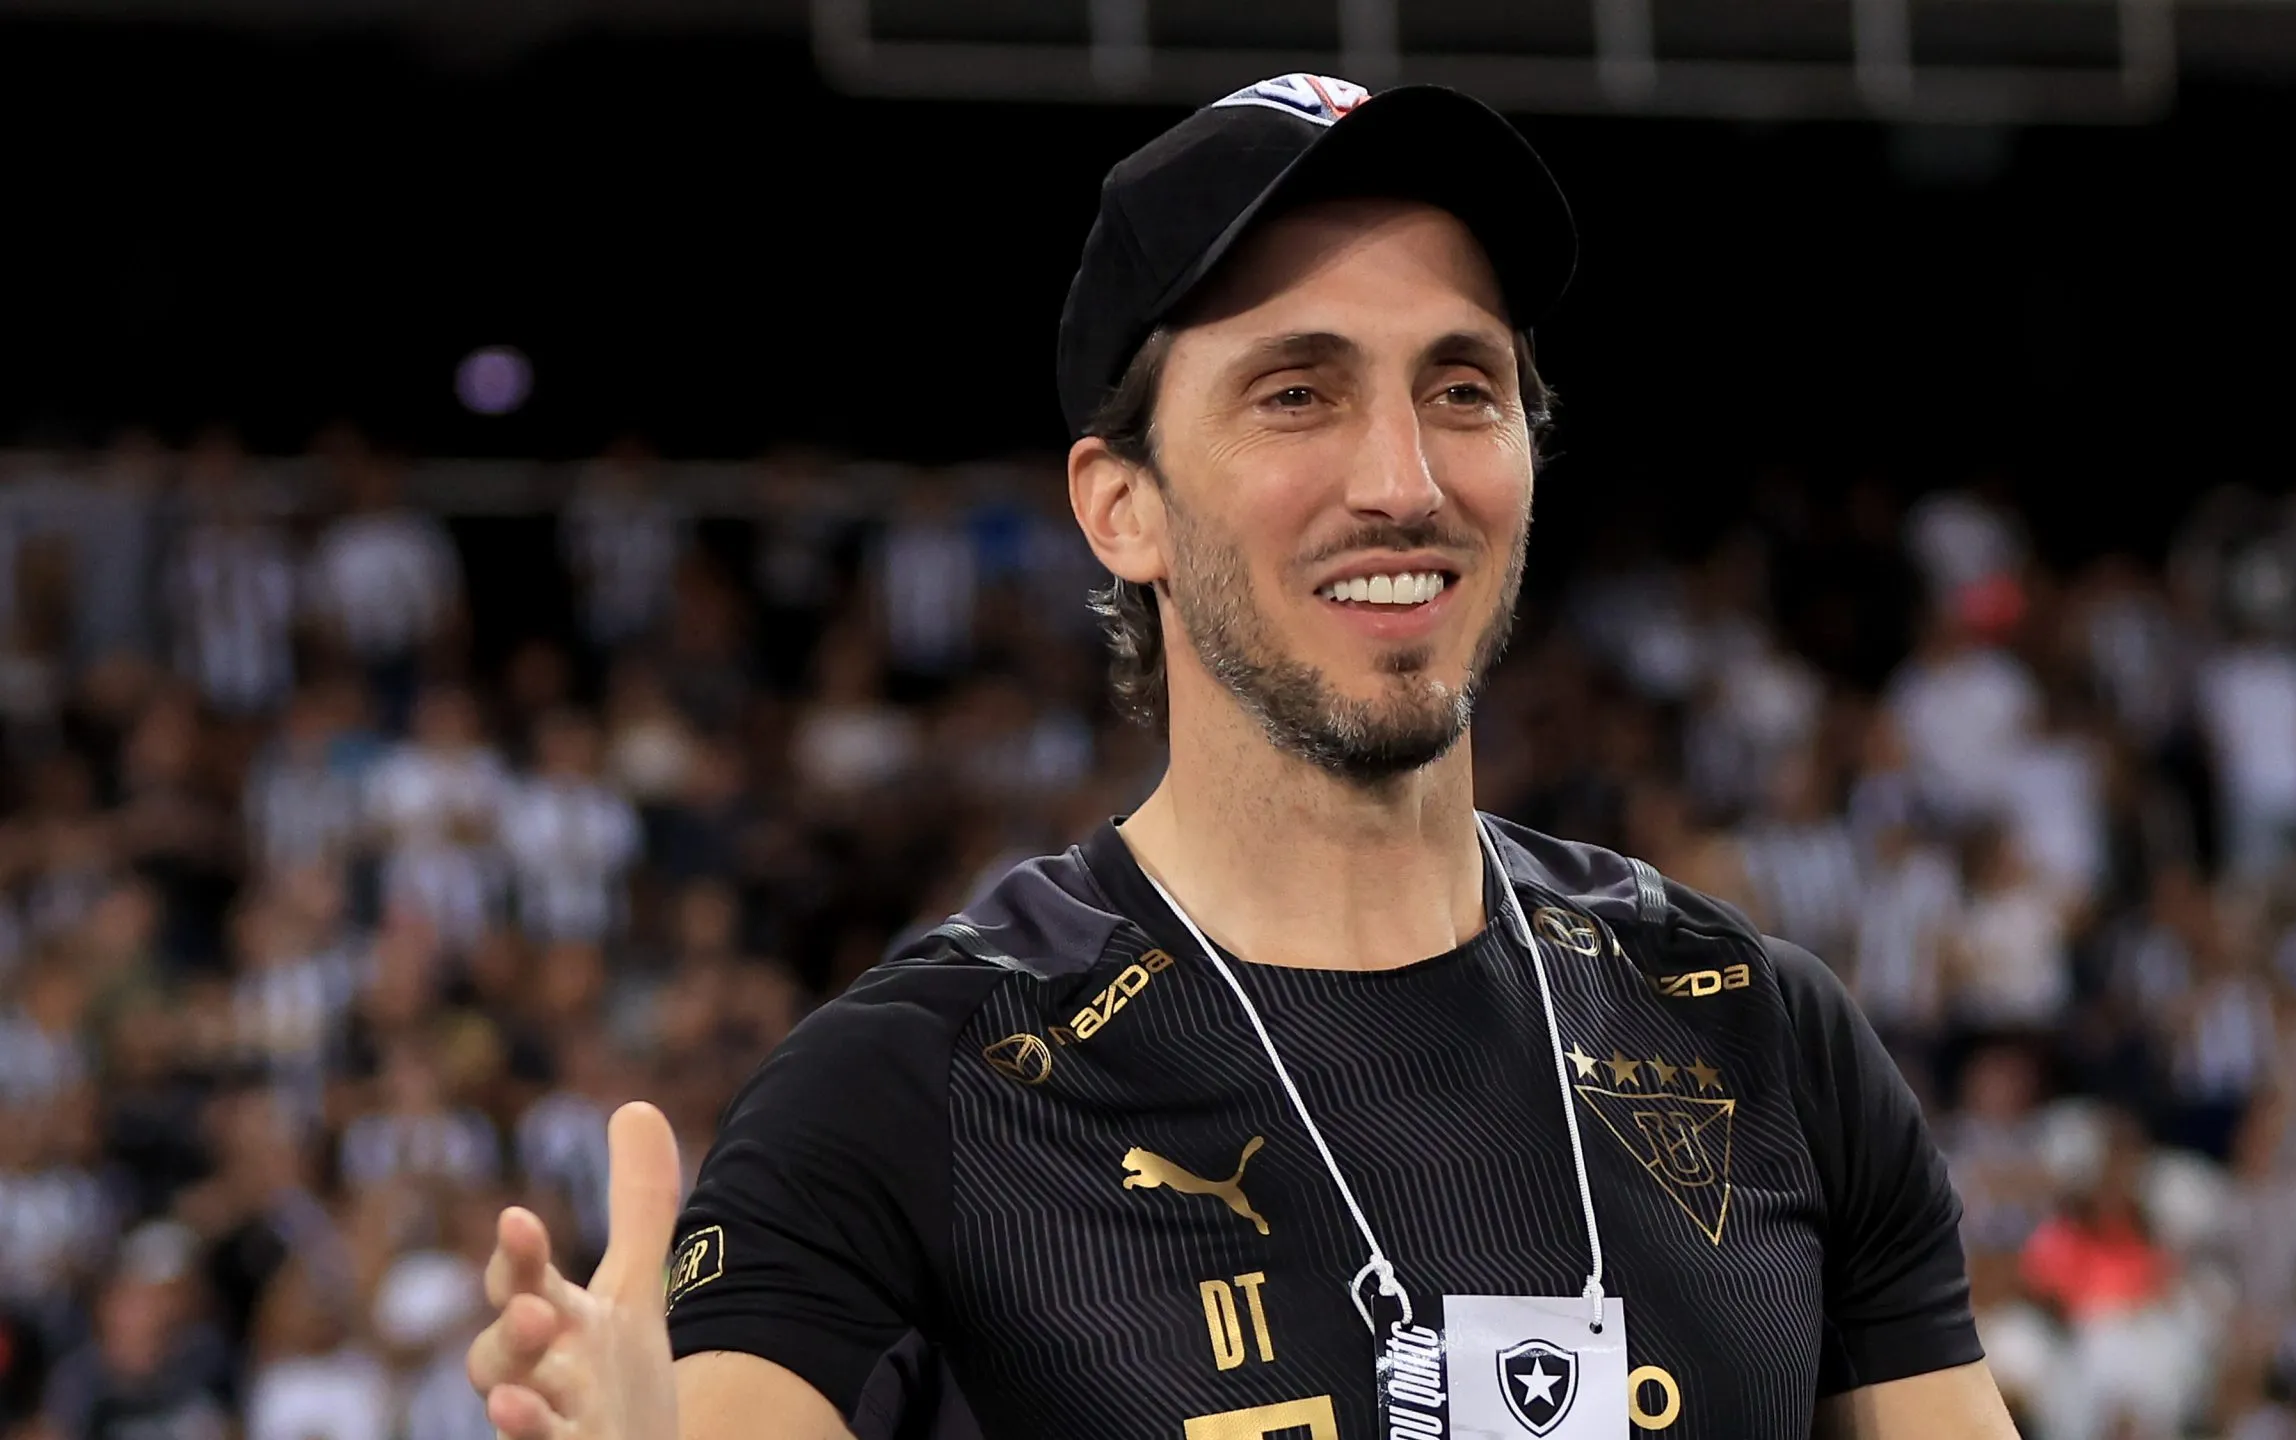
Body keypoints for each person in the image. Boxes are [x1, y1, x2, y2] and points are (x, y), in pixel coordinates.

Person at [465, 73, 2013, 1440]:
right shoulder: (909, 1095)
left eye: (1462, 390)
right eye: (1297, 395)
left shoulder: (1765, 1041)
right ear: (1119, 505)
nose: (1404, 481)